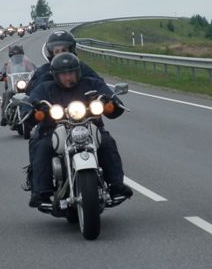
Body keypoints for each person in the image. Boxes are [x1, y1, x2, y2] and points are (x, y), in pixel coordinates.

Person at [26, 53, 132, 207]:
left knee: (107, 142)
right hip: (54, 130)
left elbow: (111, 101)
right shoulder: (45, 88)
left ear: (78, 72)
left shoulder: (92, 84)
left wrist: (109, 102)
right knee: (42, 147)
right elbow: (31, 105)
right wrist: (36, 109)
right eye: (64, 74)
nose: (68, 77)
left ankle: (116, 185)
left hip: (89, 127)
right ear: (55, 75)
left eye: (72, 73)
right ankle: (41, 192)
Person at [0, 45, 37, 126]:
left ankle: (38, 114)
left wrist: (37, 73)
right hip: (12, 85)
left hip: (25, 85)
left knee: (35, 94)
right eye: (14, 56)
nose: (16, 58)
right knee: (7, 94)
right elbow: (2, 72)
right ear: (10, 56)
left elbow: (35, 69)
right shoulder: (7, 64)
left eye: (18, 55)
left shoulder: (27, 63)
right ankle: (4, 117)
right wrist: (1, 75)